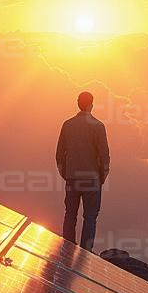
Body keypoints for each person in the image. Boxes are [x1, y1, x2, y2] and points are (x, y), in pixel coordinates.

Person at [55, 91, 110, 252]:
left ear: (78, 103)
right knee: (90, 217)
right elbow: (104, 155)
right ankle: (86, 252)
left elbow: (59, 154)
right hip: (92, 179)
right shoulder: (98, 126)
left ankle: (67, 248)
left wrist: (65, 174)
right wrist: (102, 176)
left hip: (72, 178)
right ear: (91, 105)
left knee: (70, 214)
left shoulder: (67, 125)